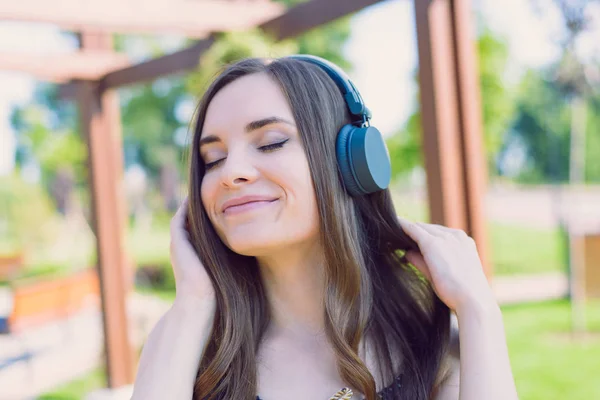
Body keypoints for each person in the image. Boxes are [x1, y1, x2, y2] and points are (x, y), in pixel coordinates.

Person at [131, 56, 518, 400]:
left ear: (353, 164)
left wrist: (479, 311)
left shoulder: (434, 348)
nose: (230, 173)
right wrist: (193, 303)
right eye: (213, 159)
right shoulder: (186, 351)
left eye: (270, 143)